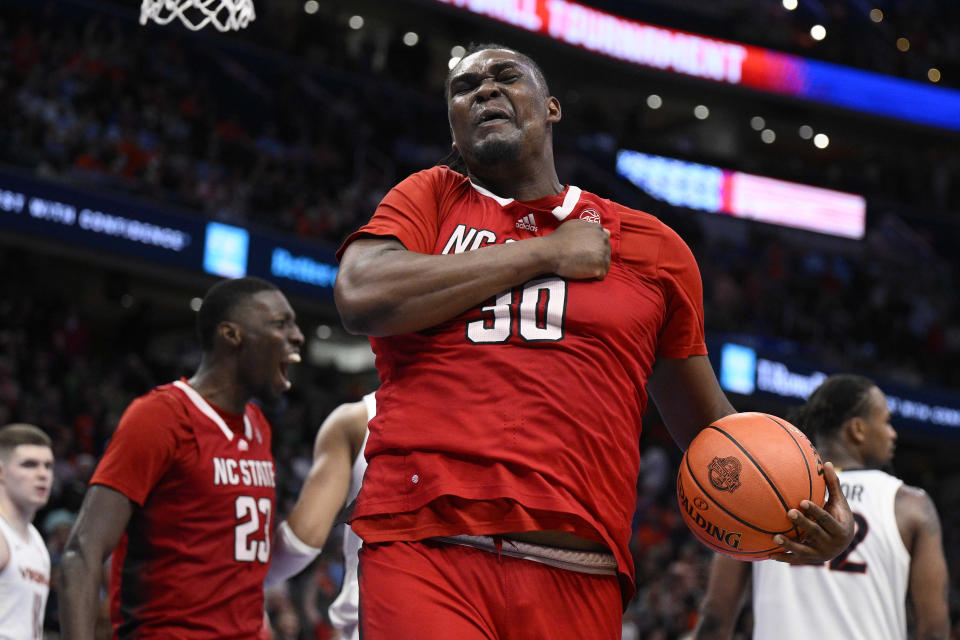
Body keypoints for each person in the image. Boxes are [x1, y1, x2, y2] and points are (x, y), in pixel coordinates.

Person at [333, 42, 856, 640]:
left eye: (505, 77)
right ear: (453, 125)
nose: (482, 90)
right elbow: (360, 294)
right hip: (425, 541)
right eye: (463, 87)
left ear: (551, 107)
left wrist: (803, 513)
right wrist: (546, 252)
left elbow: (710, 430)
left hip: (581, 568)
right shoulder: (430, 197)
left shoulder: (654, 247)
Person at [59, 276, 304, 639]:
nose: (297, 335)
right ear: (230, 335)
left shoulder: (258, 426)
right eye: (281, 324)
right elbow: (82, 551)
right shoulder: (160, 416)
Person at [692, 374, 951, 640]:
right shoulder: (910, 504)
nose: (892, 434)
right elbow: (933, 629)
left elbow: (715, 618)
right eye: (886, 422)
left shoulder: (756, 496)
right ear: (857, 430)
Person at [265, 391, 376, 640]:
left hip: (372, 626)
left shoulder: (357, 419)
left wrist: (240, 582)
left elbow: (300, 544)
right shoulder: (483, 419)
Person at [0, 423, 54, 640]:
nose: (43, 474)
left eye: (48, 466)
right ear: (1, 471)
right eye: (29, 465)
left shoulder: (36, 540)